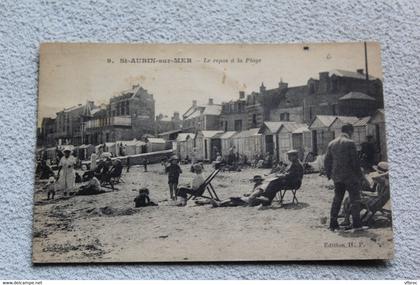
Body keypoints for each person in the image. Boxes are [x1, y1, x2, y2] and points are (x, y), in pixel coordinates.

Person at [324, 123, 364, 231]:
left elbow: (327, 160)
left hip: (337, 177)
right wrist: (360, 177)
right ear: (350, 131)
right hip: (350, 177)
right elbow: (355, 162)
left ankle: (333, 223)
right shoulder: (350, 143)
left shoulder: (331, 143)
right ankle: (357, 225)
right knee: (355, 200)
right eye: (353, 132)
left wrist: (329, 175)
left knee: (337, 199)